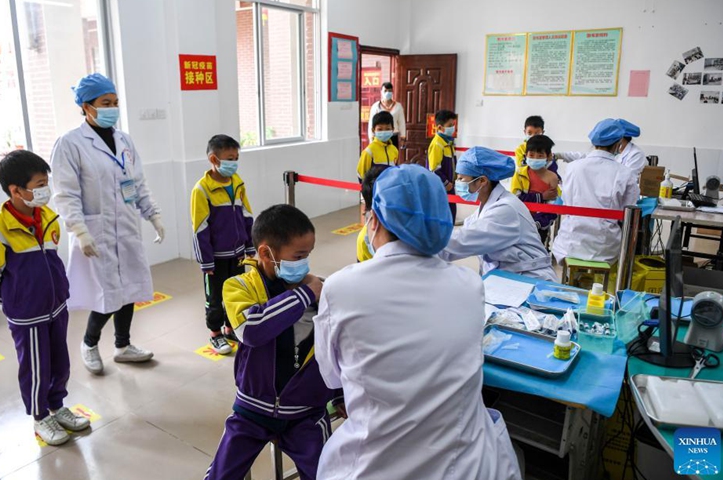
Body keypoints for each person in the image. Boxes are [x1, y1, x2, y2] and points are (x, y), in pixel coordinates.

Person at [314, 164, 522, 480]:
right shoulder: (469, 284)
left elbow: (331, 377)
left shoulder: (341, 288)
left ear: (374, 219)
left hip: (375, 466)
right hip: (470, 466)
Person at [204, 204, 343, 480]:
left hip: (305, 412)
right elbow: (251, 330)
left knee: (328, 473)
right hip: (251, 408)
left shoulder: (319, 290)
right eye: (299, 255)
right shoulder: (238, 286)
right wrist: (303, 295)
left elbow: (333, 346)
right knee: (221, 475)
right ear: (267, 253)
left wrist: (339, 394)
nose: (305, 263)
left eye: (308, 255)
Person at [0, 151, 90, 446]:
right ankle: (40, 417)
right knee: (36, 368)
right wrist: (17, 301)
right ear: (16, 190)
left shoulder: (48, 218)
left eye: (45, 182)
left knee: (60, 363)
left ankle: (57, 406)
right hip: (28, 316)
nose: (45, 190)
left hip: (57, 308)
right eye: (39, 184)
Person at [51, 73, 163, 374]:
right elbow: (65, 193)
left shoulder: (124, 140)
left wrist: (152, 214)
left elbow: (137, 183)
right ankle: (89, 344)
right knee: (107, 294)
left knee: (130, 288)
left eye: (115, 102)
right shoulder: (70, 144)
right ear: (87, 107)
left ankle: (123, 346)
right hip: (94, 231)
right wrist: (80, 231)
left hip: (125, 226)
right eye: (105, 103)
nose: (112, 108)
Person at [440, 147, 557, 282]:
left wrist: (422, 244)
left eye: (461, 178)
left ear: (482, 181)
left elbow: (462, 242)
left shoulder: (505, 209)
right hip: (509, 277)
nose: (458, 183)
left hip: (530, 279)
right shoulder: (487, 206)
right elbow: (463, 234)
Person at [191, 134, 255, 355]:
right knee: (215, 297)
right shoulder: (202, 189)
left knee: (235, 292)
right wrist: (206, 260)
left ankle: (230, 328)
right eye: (229, 158)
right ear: (214, 159)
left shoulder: (237, 182)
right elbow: (200, 227)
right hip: (215, 258)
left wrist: (250, 247)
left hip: (237, 254)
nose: (234, 163)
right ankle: (215, 334)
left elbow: (247, 215)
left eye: (236, 157)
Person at [552, 119, 640, 264]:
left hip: (570, 243)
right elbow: (628, 209)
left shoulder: (573, 168)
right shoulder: (625, 173)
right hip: (604, 248)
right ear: (619, 143)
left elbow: (567, 200)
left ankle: (571, 280)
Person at [510, 134, 561, 246]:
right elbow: (515, 199)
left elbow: (553, 205)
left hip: (540, 226)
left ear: (548, 157)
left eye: (540, 155)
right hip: (519, 220)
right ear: (525, 155)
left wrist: (539, 222)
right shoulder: (519, 174)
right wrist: (541, 197)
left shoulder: (552, 177)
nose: (535, 158)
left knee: (537, 249)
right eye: (531, 155)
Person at [556, 118, 647, 177]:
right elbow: (585, 156)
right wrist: (561, 155)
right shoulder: (605, 154)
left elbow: (630, 179)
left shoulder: (635, 154)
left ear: (620, 138)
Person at [428, 109, 458, 221]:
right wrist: (446, 183)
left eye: (453, 125)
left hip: (450, 186)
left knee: (451, 214)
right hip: (441, 187)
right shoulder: (437, 144)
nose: (453, 128)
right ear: (440, 128)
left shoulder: (448, 142)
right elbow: (434, 169)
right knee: (443, 217)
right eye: (450, 125)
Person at [356, 111, 399, 182]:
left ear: (393, 130)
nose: (384, 131)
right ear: (373, 130)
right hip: (375, 191)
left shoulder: (394, 150)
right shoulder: (369, 152)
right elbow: (361, 175)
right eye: (380, 129)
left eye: (388, 129)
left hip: (390, 190)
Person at [366, 82, 406, 149]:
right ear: (381, 92)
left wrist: (403, 137)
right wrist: (371, 137)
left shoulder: (398, 106)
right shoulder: (376, 106)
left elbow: (402, 123)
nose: (388, 93)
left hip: (393, 136)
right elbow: (371, 123)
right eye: (385, 91)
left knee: (392, 156)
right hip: (379, 136)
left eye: (390, 91)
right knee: (379, 156)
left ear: (392, 92)